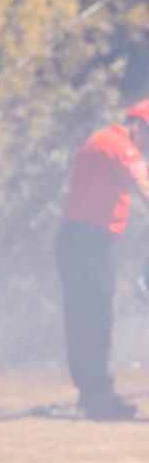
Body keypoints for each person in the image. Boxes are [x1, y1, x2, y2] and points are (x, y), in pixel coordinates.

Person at [56, 100, 149, 420]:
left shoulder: (102, 141)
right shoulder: (121, 146)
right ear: (138, 126)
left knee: (83, 316)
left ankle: (90, 389)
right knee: (95, 317)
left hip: (78, 240)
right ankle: (96, 394)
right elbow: (145, 188)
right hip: (89, 242)